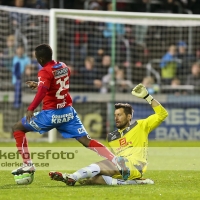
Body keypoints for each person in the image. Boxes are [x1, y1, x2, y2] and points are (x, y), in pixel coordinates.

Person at [11, 44, 129, 179]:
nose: (37, 61)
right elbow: (56, 85)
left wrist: (31, 108)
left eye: (37, 58)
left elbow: (44, 91)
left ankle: (28, 164)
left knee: (18, 128)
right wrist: (38, 84)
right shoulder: (63, 66)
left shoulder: (44, 71)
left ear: (42, 59)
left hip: (51, 114)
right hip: (67, 112)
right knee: (86, 140)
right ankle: (115, 160)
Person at [49, 83, 168, 186]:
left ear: (129, 116)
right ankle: (134, 182)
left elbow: (162, 114)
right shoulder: (111, 137)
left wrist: (148, 97)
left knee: (101, 166)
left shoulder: (141, 125)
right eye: (115, 115)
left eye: (120, 115)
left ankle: (71, 177)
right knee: (93, 179)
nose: (116, 118)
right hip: (121, 166)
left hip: (135, 165)